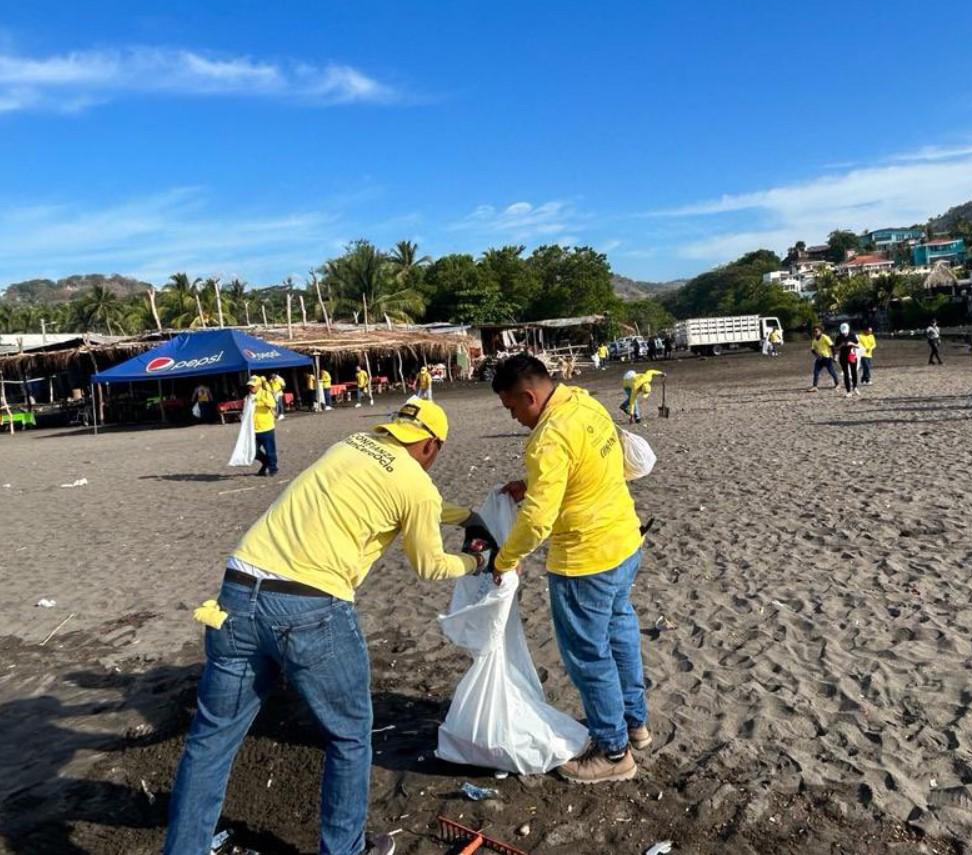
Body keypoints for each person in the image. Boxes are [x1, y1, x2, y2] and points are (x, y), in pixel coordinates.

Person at [164, 399, 490, 855]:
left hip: (237, 594)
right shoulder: (416, 484)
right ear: (432, 445)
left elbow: (408, 501)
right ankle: (344, 850)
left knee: (211, 739)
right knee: (350, 735)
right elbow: (430, 565)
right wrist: (476, 561)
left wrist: (465, 515)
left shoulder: (352, 444)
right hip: (308, 608)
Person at [489, 355, 649, 784]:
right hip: (625, 542)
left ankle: (614, 753)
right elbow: (597, 463)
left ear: (529, 395)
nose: (515, 417)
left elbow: (538, 520)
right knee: (621, 633)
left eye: (512, 408)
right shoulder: (585, 404)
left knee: (589, 655)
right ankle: (636, 724)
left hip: (585, 561)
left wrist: (504, 560)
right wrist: (534, 485)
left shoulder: (548, 437)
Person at [247, 377, 279, 476]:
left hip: (267, 428)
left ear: (259, 385)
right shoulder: (248, 396)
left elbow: (272, 404)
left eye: (253, 386)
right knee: (253, 451)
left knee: (270, 451)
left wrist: (259, 401)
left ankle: (273, 468)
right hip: (254, 429)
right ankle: (266, 462)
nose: (250, 388)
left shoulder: (266, 394)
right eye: (249, 386)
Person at [806, 325, 838, 392]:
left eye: (816, 331)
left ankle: (837, 384)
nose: (815, 333)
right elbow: (813, 350)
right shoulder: (814, 340)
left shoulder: (825, 337)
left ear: (820, 331)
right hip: (820, 359)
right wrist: (817, 355)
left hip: (827, 357)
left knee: (831, 372)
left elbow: (832, 347)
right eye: (814, 331)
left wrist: (835, 357)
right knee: (816, 372)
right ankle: (815, 386)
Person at [833, 323, 861, 397]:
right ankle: (848, 391)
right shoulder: (838, 337)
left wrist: (851, 343)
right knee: (846, 374)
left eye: (845, 332)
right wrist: (841, 345)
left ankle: (855, 387)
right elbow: (835, 348)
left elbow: (858, 346)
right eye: (843, 332)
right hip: (843, 357)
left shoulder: (852, 335)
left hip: (852, 355)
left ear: (848, 330)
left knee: (854, 372)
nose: (844, 333)